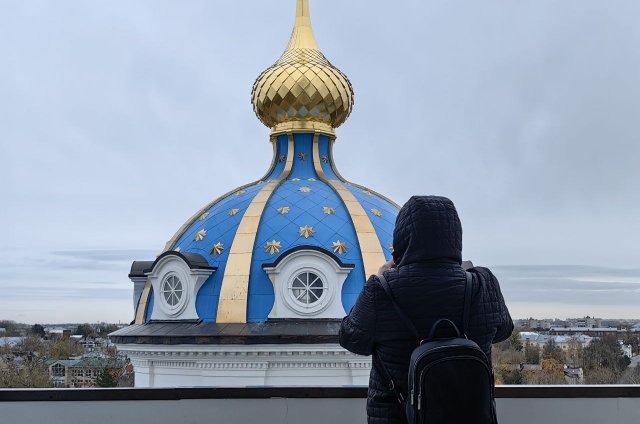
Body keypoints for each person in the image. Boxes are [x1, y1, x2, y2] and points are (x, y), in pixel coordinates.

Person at [339, 195, 513, 424]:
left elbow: (351, 339)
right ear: (455, 236)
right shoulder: (482, 284)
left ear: (402, 238)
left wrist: (378, 280)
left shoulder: (381, 290)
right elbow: (503, 330)